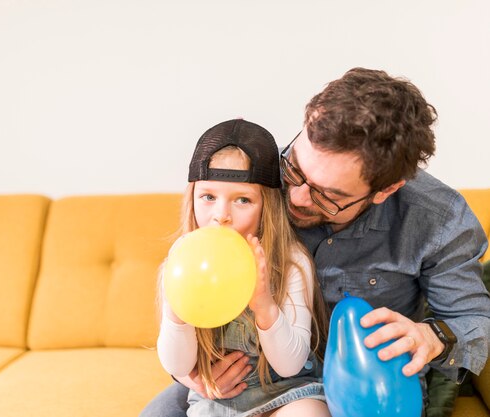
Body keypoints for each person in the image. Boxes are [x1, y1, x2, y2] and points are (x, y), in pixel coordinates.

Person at [141, 68, 490, 417]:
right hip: (246, 378)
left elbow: (473, 319)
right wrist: (191, 375)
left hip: (364, 391)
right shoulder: (254, 176)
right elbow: (195, 279)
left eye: (328, 196)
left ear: (386, 190)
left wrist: (433, 337)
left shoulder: (438, 218)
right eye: (295, 170)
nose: (296, 197)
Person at [156, 119, 331, 416]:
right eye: (208, 197)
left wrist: (264, 304)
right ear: (193, 199)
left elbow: (290, 364)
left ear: (267, 207)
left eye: (242, 200)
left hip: (288, 393)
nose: (221, 215)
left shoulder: (290, 261)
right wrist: (177, 310)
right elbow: (177, 365)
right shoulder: (182, 257)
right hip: (217, 403)